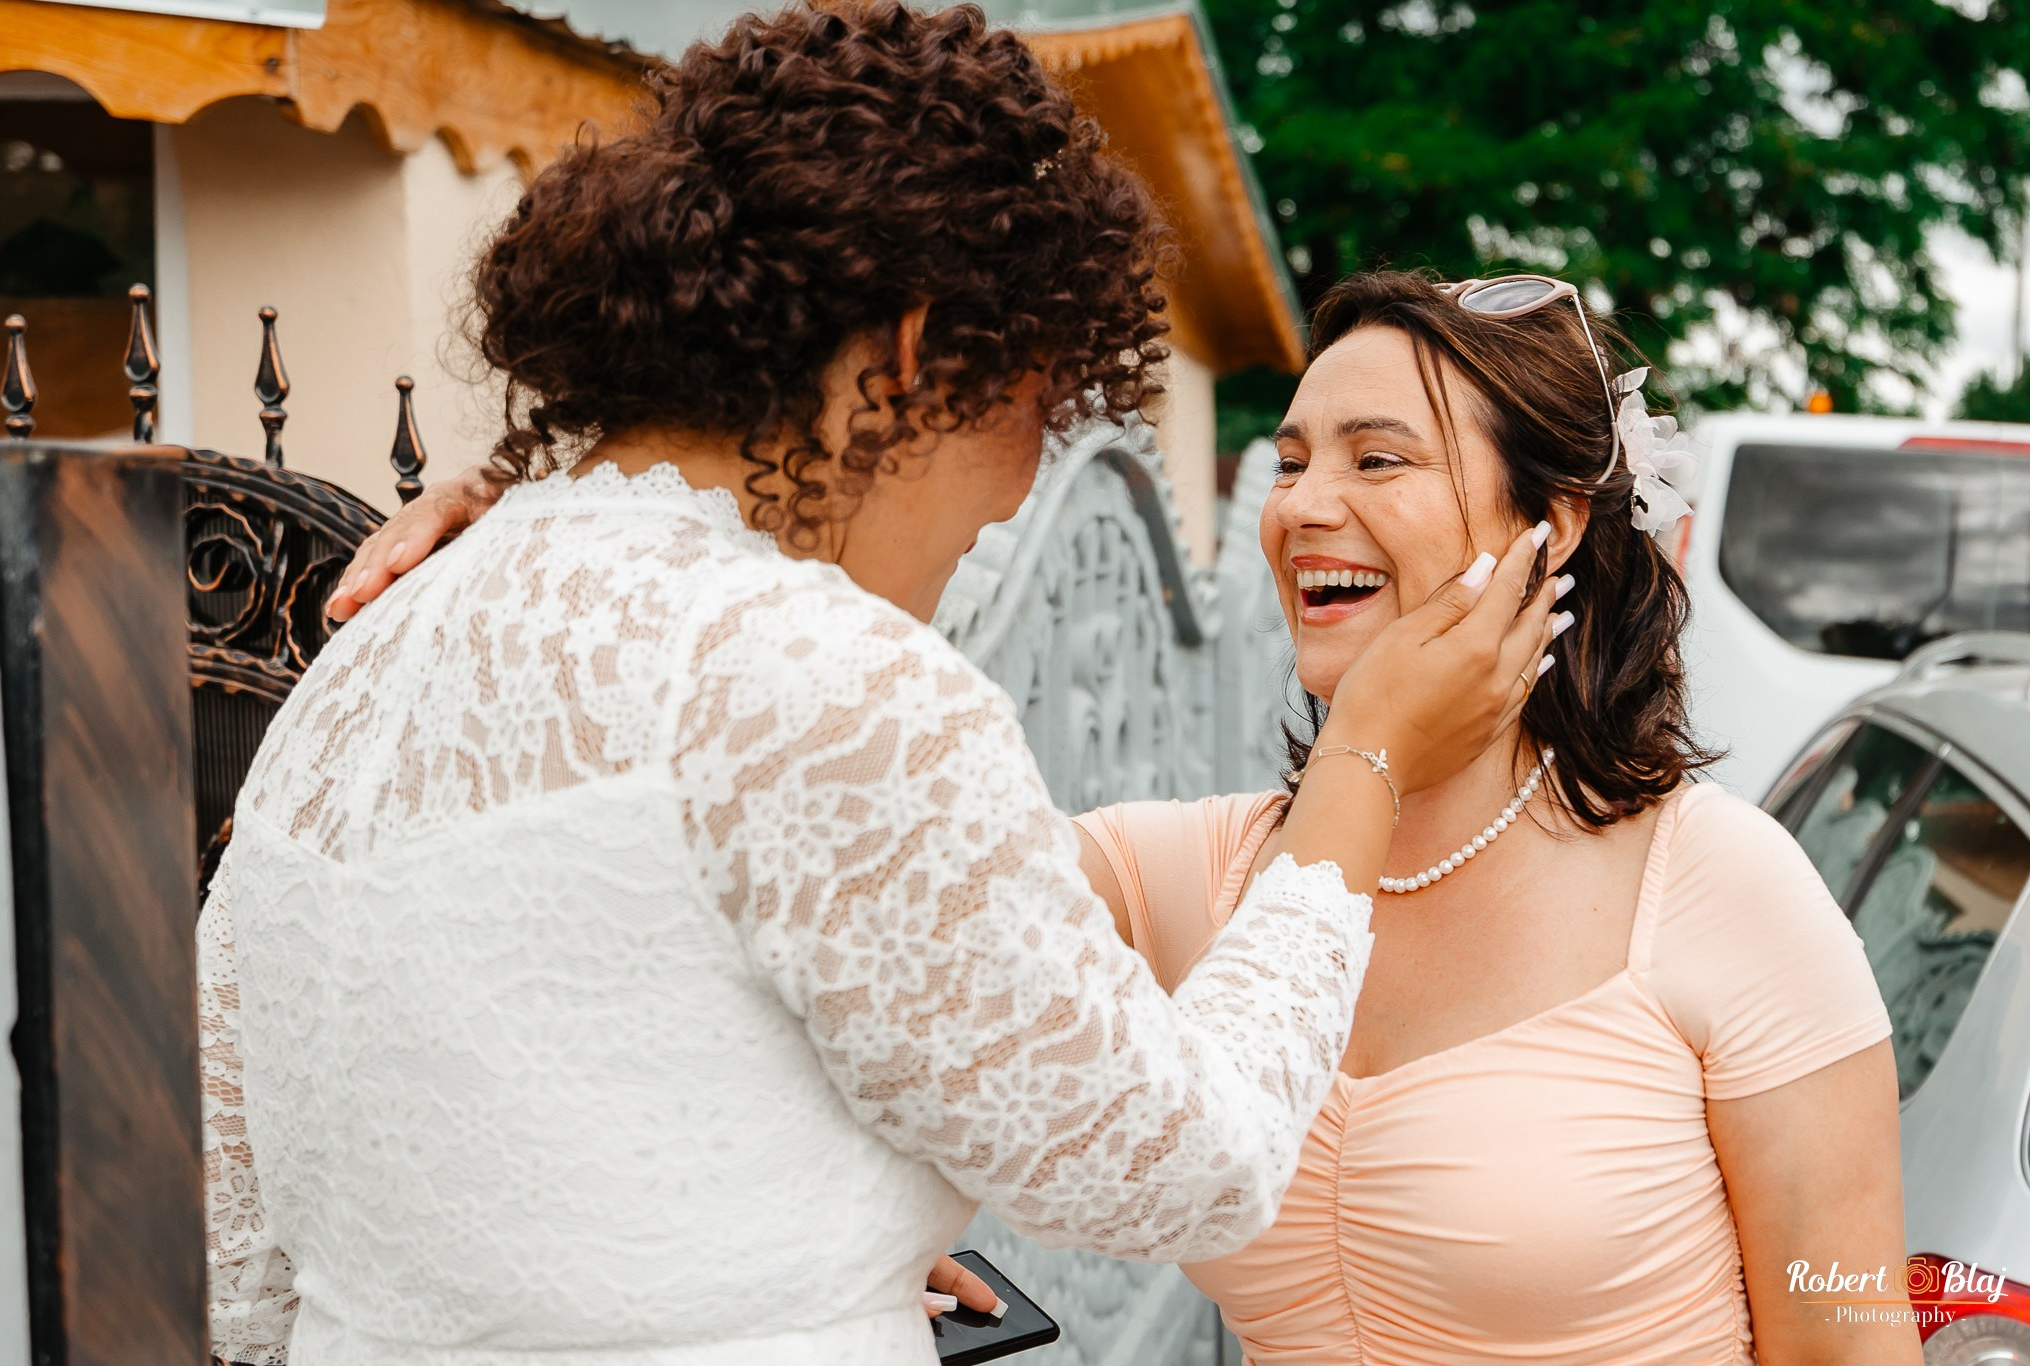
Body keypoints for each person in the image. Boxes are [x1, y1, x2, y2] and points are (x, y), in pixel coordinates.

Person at [203, 9, 1556, 1366]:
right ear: (912, 355)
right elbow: (1185, 1164)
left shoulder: (371, 656)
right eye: (1044, 391)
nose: (1034, 471)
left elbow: (244, 1240)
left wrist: (796, 1250)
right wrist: (1363, 759)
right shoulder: (820, 680)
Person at [346, 271, 1919, 1365]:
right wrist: (577, 546)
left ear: (1549, 529)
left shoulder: (1724, 893)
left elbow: (1848, 1325)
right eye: (1290, 458)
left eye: (1380, 457)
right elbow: (768, 941)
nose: (1306, 503)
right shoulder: (1189, 870)